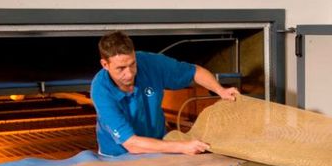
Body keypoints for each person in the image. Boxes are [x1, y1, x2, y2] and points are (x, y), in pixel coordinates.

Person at [91, 30, 239, 157]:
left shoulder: (151, 63)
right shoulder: (101, 90)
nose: (129, 73)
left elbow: (195, 71)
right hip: (117, 157)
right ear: (105, 64)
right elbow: (132, 144)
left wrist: (220, 90)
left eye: (132, 64)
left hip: (158, 149)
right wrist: (182, 147)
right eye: (121, 68)